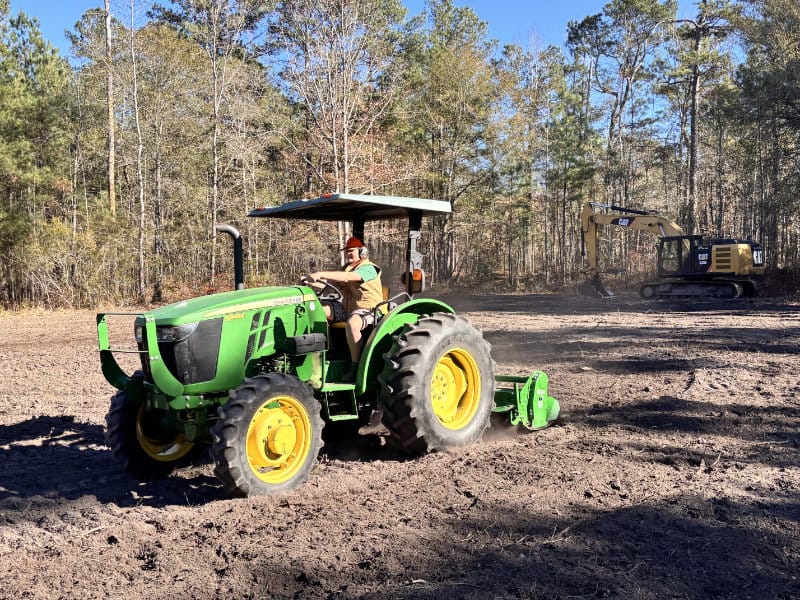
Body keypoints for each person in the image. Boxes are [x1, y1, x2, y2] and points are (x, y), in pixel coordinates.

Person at [305, 236, 383, 382]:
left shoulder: (370, 268)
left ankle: (356, 366)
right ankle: (329, 350)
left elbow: (347, 277)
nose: (348, 254)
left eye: (351, 251)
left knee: (353, 323)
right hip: (348, 309)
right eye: (346, 251)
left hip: (369, 309)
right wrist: (311, 282)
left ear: (362, 251)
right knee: (318, 310)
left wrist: (320, 273)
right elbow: (329, 284)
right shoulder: (347, 268)